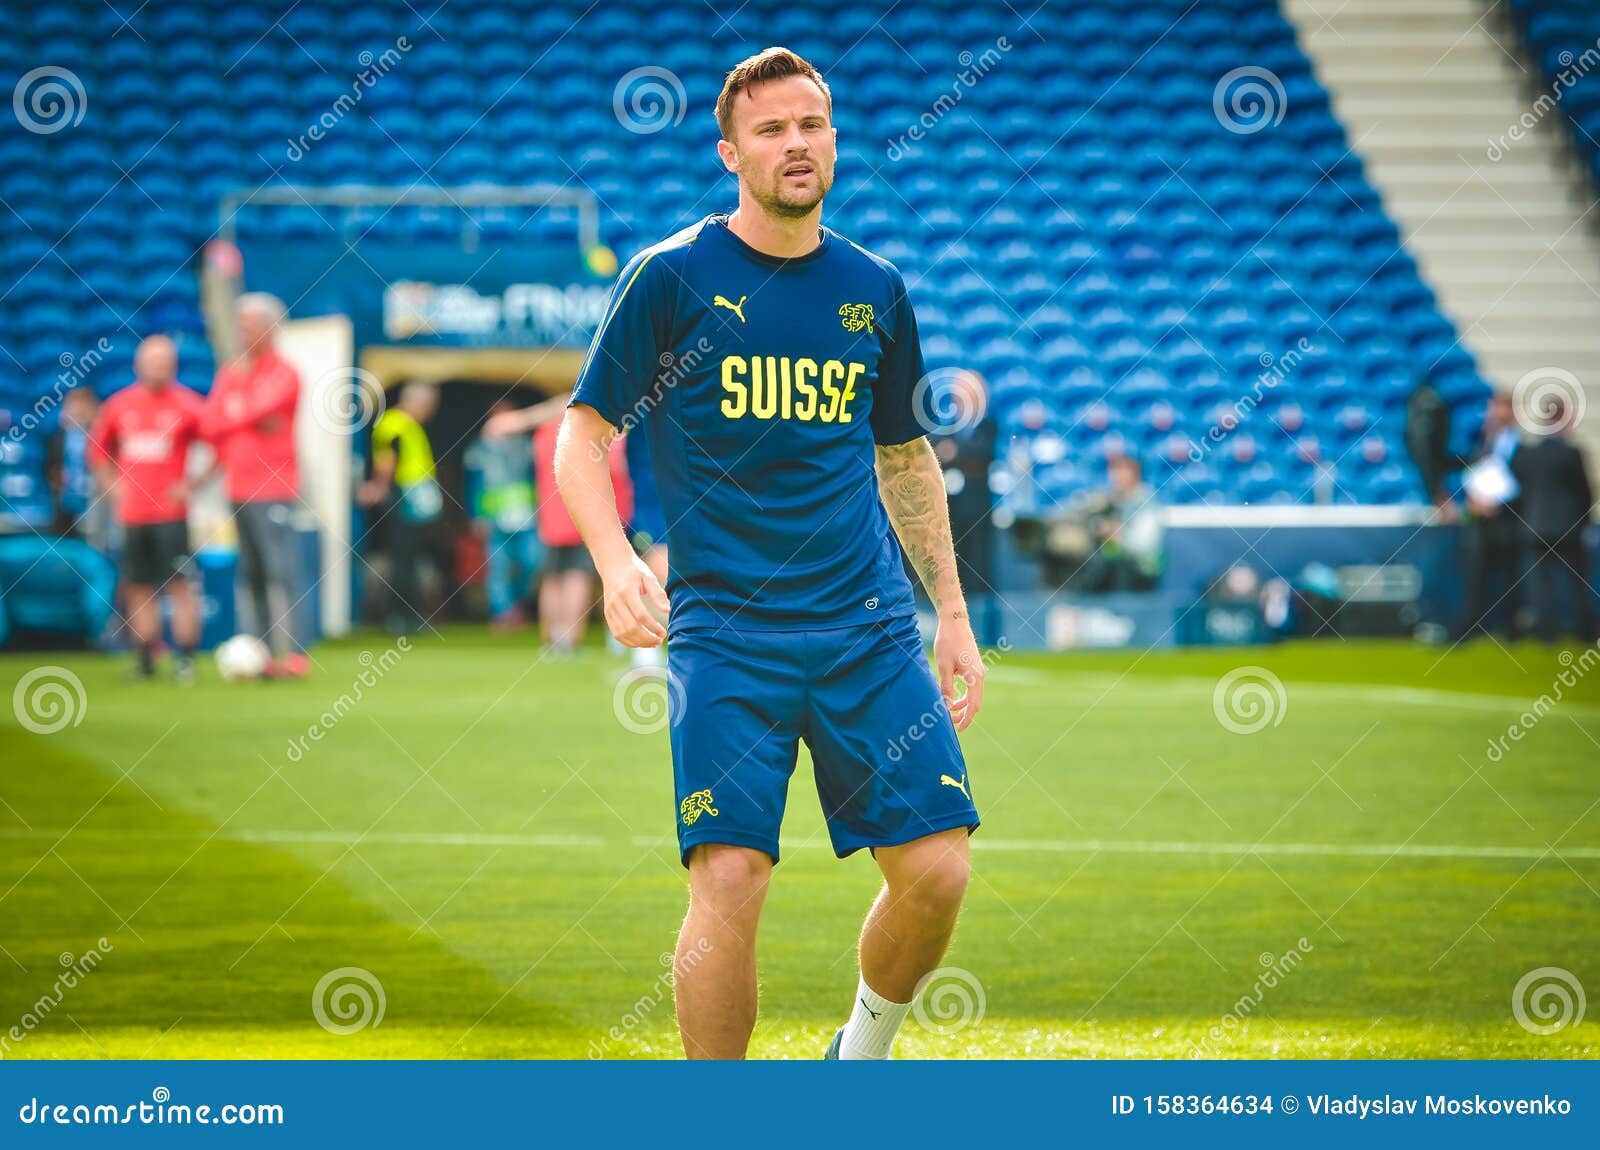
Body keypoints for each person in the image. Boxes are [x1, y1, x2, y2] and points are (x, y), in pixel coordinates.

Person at [555, 47, 983, 1061]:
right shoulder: (670, 276)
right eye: (772, 130)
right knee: (731, 879)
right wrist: (617, 563)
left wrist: (953, 615)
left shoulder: (873, 288)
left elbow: (905, 456)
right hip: (727, 635)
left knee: (938, 874)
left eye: (812, 125)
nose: (796, 144)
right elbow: (581, 434)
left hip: (869, 628)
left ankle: (859, 1056)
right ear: (730, 153)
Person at [86, 336, 206, 682]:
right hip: (134, 515)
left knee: (180, 585)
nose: (160, 366)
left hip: (172, 516)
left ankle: (185, 661)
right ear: (139, 365)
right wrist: (114, 489)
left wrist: (193, 485)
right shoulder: (120, 405)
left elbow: (220, 442)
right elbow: (97, 453)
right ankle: (145, 661)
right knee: (138, 587)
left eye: (166, 360)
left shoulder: (188, 404)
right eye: (154, 360)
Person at [203, 293, 309, 677]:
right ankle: (263, 653)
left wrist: (238, 412)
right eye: (240, 324)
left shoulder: (286, 372)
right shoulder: (230, 372)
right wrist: (244, 416)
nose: (242, 331)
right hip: (238, 488)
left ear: (269, 327)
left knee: (285, 572)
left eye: (248, 323)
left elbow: (252, 412)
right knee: (253, 576)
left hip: (276, 487)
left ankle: (296, 654)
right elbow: (210, 423)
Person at [1510, 394, 1596, 642]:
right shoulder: (1571, 453)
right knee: (1577, 582)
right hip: (1568, 527)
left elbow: (1518, 486)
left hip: (1536, 525)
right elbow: (1584, 492)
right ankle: (1585, 632)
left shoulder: (1528, 454)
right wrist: (1585, 523)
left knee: (1541, 583)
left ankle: (1547, 634)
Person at [359, 383, 441, 635]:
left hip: (410, 498)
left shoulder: (406, 424)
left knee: (409, 558)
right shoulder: (395, 423)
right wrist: (379, 486)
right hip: (401, 498)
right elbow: (388, 460)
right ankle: (399, 616)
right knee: (402, 559)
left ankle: (410, 615)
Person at [1460, 391, 1523, 640]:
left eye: (1499, 408)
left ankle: (1511, 630)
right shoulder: (1484, 442)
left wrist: (1497, 504)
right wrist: (1475, 500)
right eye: (1492, 408)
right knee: (1478, 575)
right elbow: (1474, 473)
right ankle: (1477, 625)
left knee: (1510, 577)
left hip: (1508, 521)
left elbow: (1523, 482)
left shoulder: (1520, 445)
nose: (1494, 414)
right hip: (1482, 522)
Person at [1081, 454, 1163, 592]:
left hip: (1139, 570)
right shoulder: (1110, 500)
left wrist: (1118, 535)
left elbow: (1144, 546)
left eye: (1121, 474)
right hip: (1112, 567)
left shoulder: (1146, 504)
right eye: (1114, 473)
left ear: (1135, 475)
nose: (1116, 479)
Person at [46, 387, 102, 544]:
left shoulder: (101, 437)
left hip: (94, 500)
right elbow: (50, 468)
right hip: (66, 501)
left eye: (83, 405)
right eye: (74, 405)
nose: (79, 410)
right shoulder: (57, 438)